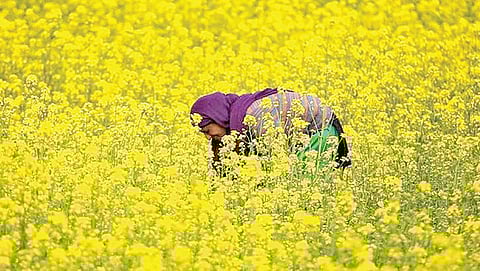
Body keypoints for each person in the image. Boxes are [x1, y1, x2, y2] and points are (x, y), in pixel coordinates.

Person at [190, 88, 351, 173]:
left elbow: (277, 157)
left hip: (321, 132)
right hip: (306, 138)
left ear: (217, 117)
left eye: (207, 130)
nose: (208, 137)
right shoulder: (241, 118)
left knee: (303, 179)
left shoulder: (255, 115)